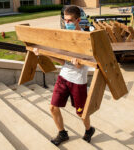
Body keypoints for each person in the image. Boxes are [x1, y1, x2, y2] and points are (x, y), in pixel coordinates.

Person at [33, 5, 95, 146]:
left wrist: (78, 64)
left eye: (69, 21)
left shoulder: (86, 38)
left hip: (78, 81)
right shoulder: (65, 37)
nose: (66, 24)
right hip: (64, 77)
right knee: (53, 107)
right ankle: (62, 133)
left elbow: (83, 65)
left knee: (81, 113)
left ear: (78, 20)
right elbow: (63, 61)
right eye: (65, 20)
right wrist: (45, 53)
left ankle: (89, 129)